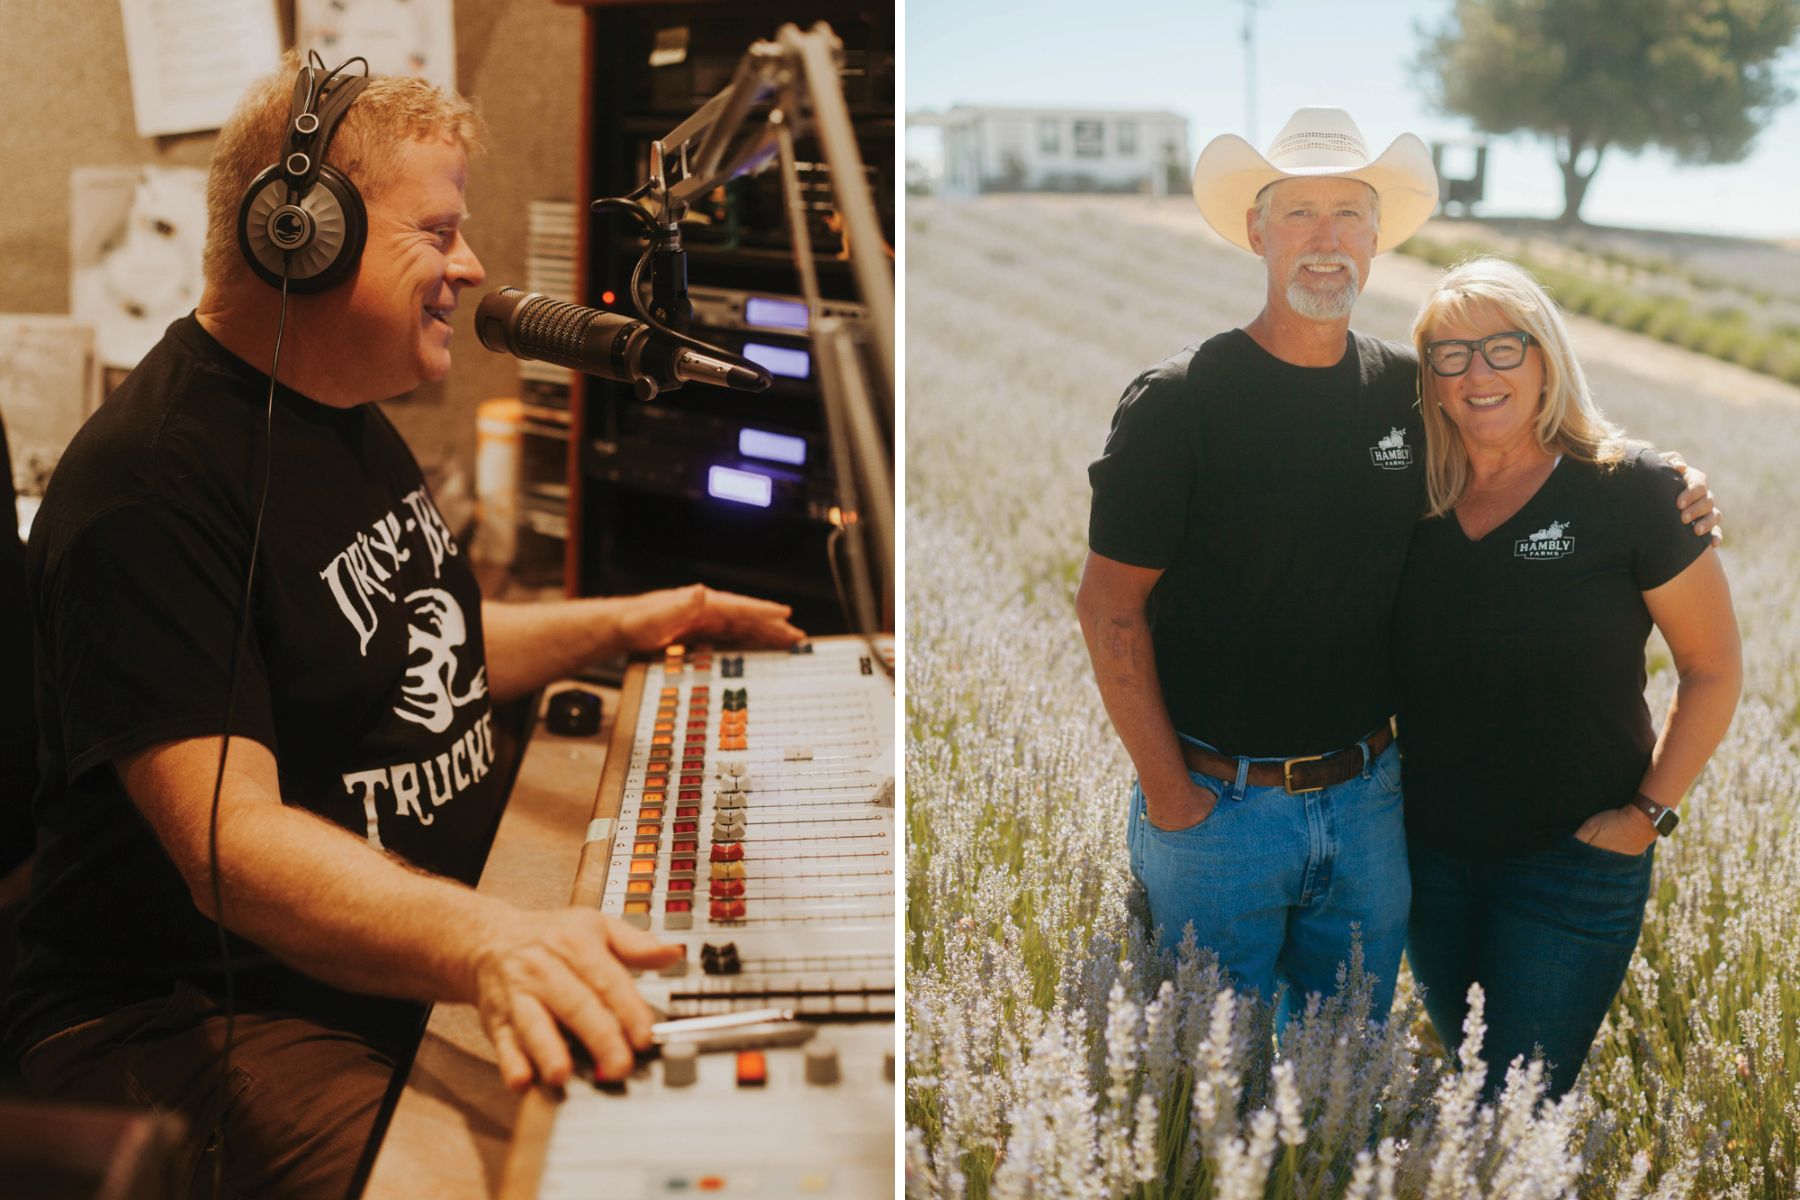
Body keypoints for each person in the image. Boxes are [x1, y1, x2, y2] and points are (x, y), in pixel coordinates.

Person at [2, 58, 802, 1198]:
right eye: (437, 231)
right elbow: (232, 851)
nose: (469, 268)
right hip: (195, 1012)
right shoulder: (151, 485)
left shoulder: (343, 417)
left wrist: (634, 620)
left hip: (376, 955)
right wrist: (489, 942)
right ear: (302, 235)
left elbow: (426, 660)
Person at [1075, 106, 1717, 1028]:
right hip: (1220, 809)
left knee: (1347, 1064)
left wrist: (1675, 486)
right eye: (1299, 213)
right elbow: (1107, 610)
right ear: (1257, 231)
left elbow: (1525, 445)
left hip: (1373, 809)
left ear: (1378, 237)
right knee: (1213, 1082)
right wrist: (1173, 799)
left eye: (1350, 214)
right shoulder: (1179, 402)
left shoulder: (1409, 395)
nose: (1326, 241)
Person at [1394, 257, 1740, 1098]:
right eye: (1451, 354)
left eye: (1503, 348)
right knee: (1476, 1086)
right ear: (1430, 381)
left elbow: (1713, 668)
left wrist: (1644, 817)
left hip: (1574, 864)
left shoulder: (1635, 492)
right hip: (1426, 858)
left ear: (1545, 356)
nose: (1479, 373)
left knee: (1513, 1112)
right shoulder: (1406, 497)